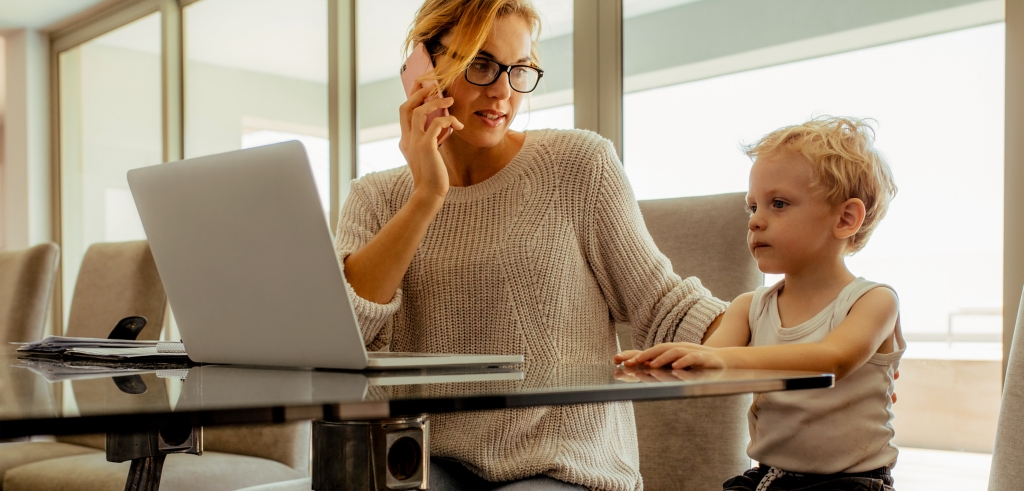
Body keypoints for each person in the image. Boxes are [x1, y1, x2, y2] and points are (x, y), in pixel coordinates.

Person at [334, 0, 728, 489]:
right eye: (480, 65)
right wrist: (426, 195)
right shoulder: (374, 197)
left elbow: (664, 306)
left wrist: (792, 325)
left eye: (519, 69)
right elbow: (345, 339)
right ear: (424, 68)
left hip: (563, 463)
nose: (503, 91)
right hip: (424, 458)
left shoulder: (579, 164)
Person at [616, 117, 902, 491]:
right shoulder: (749, 307)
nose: (755, 222)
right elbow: (708, 363)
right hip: (769, 477)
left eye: (778, 204)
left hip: (850, 483)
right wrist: (659, 361)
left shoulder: (873, 301)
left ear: (846, 218)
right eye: (753, 208)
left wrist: (720, 359)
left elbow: (833, 360)